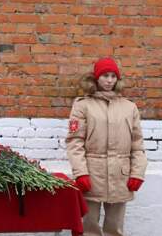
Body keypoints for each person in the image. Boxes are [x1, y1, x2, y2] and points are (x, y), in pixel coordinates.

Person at [65, 57, 147, 236]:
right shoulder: (83, 105)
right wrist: (81, 173)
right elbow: (75, 142)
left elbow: (137, 144)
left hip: (120, 176)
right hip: (93, 176)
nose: (109, 80)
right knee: (89, 227)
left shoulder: (129, 107)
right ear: (96, 78)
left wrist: (137, 173)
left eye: (112, 76)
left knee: (115, 229)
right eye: (104, 76)